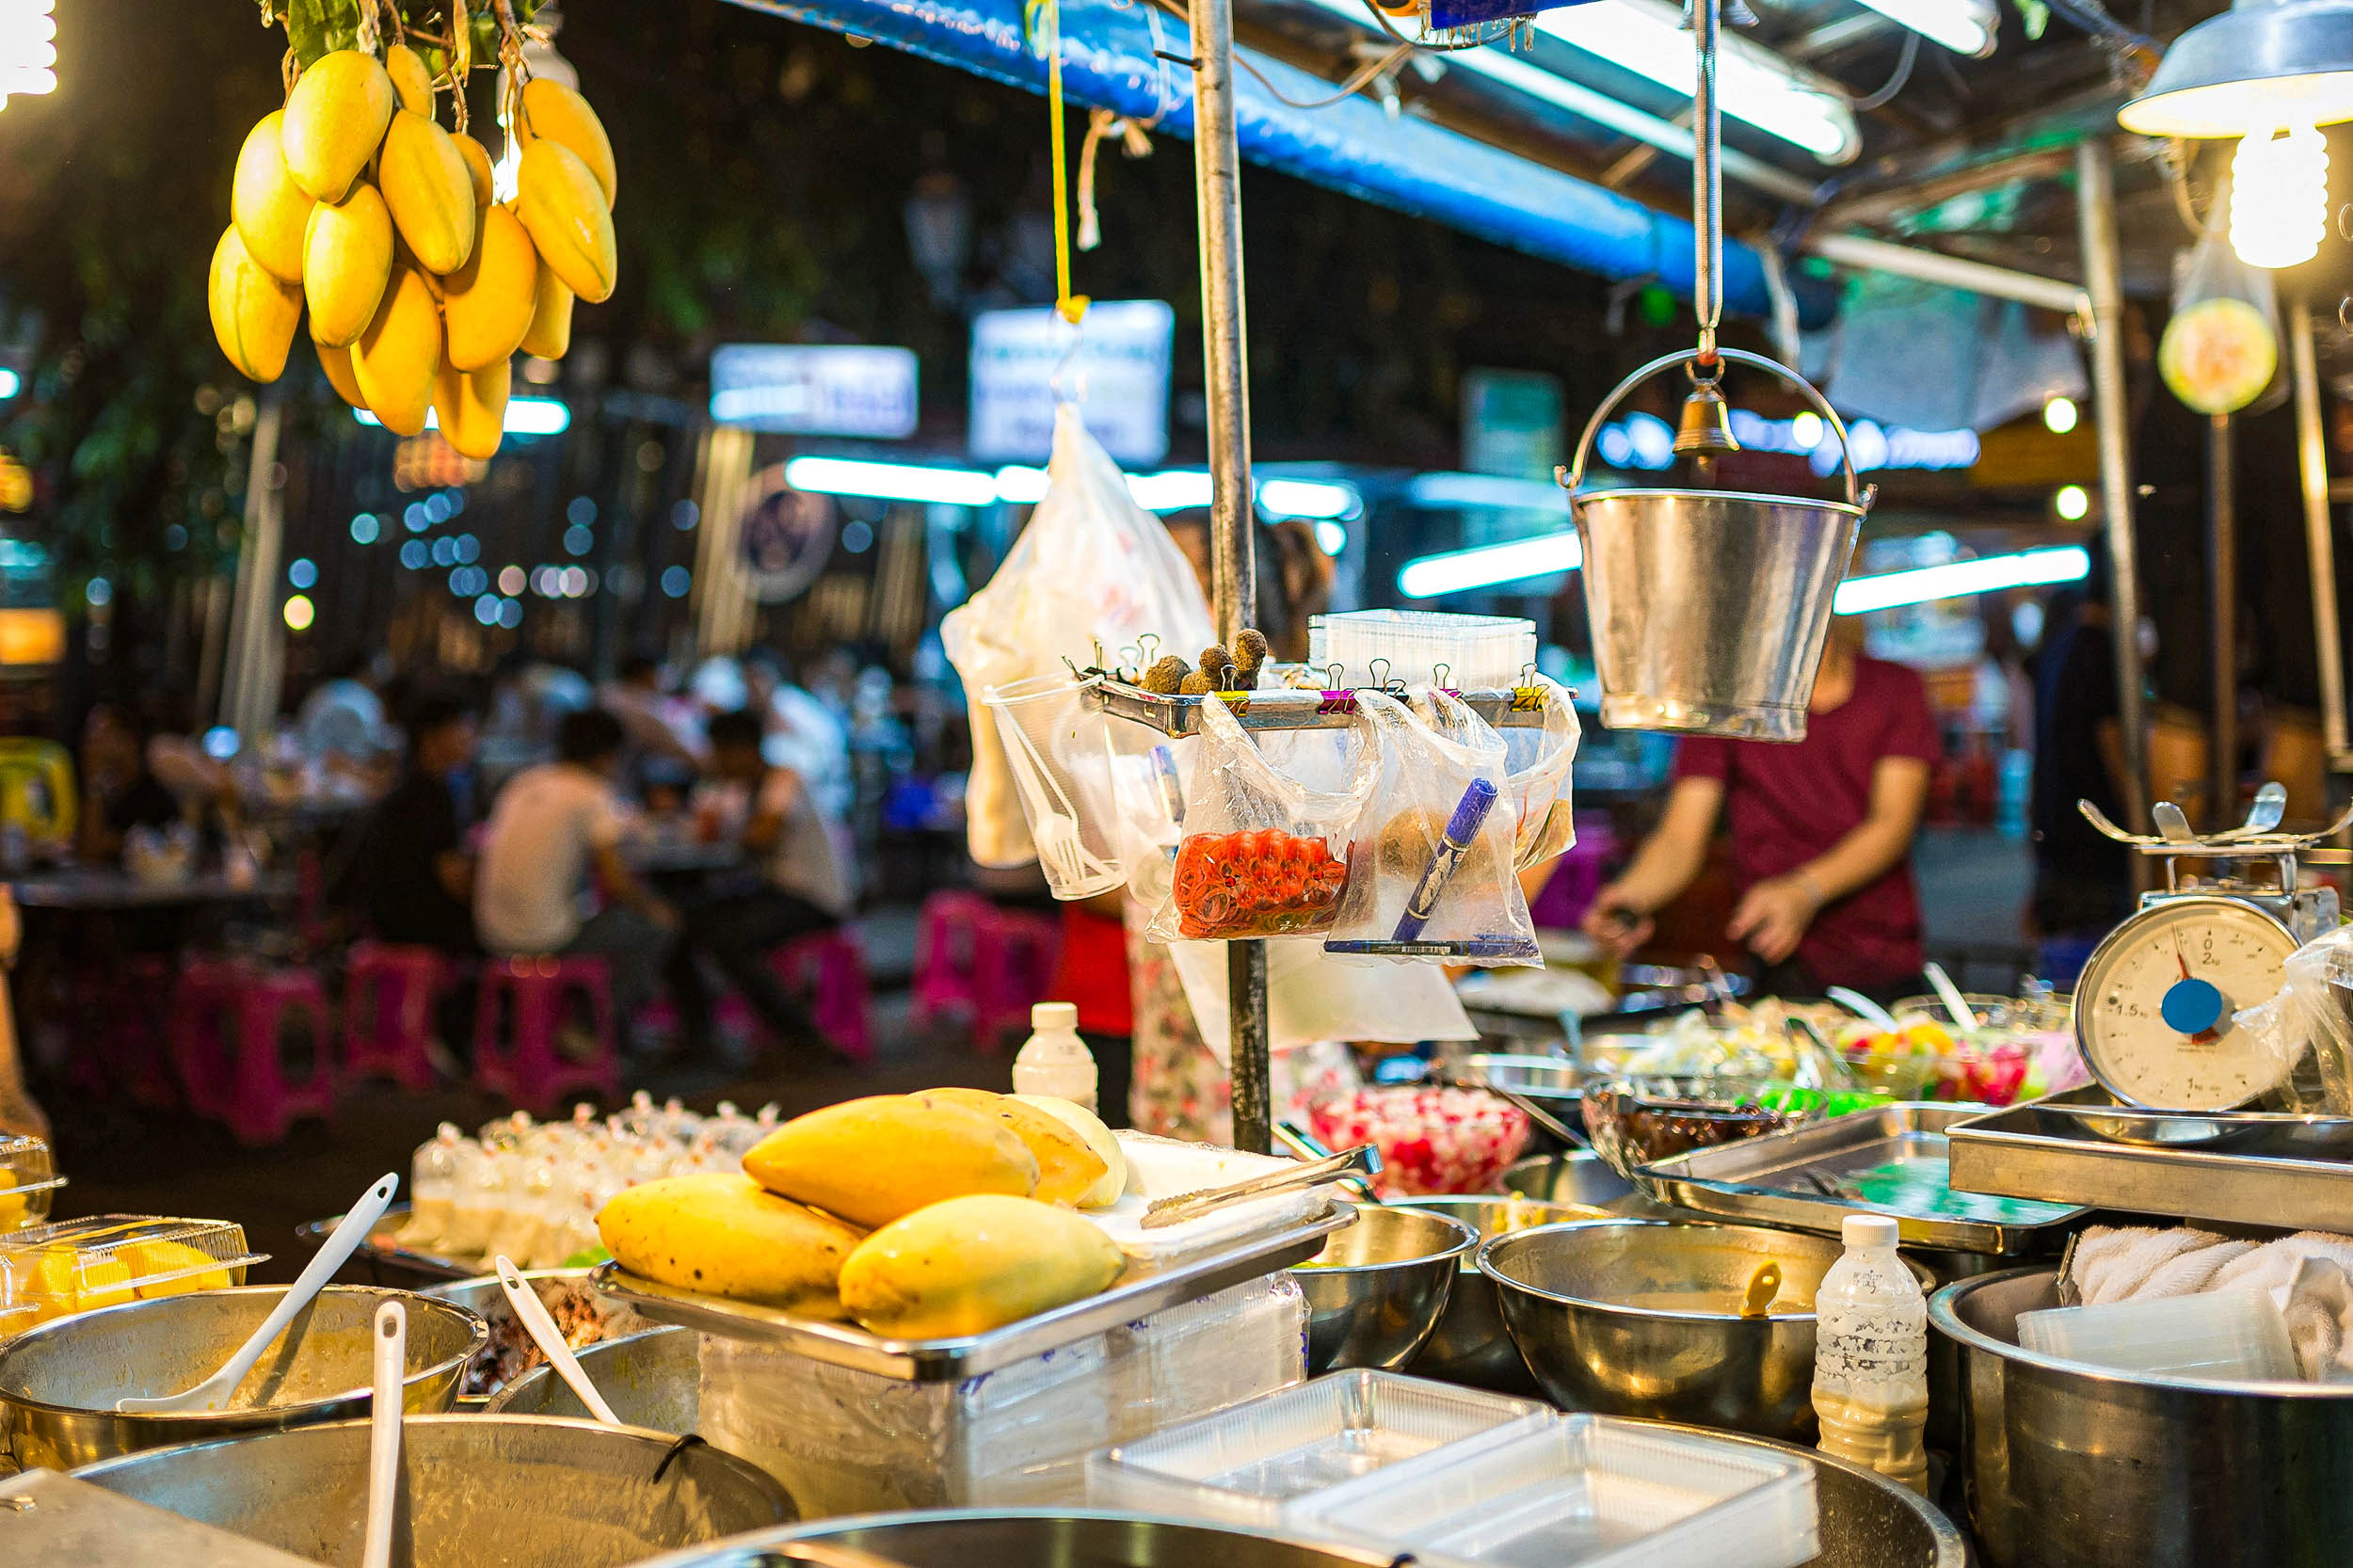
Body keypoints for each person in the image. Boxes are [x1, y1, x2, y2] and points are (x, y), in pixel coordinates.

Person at [1581, 617, 1940, 1003]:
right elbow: (1681, 837)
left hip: (1882, 957)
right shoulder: (1727, 701)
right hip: (1780, 960)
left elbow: (1892, 824)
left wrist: (1805, 890)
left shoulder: (1895, 689)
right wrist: (1630, 898)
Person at [474, 708, 678, 1026]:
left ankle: (562, 1023)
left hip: (490, 933)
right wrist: (656, 909)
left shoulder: (524, 782)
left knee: (602, 918)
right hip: (544, 938)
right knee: (656, 928)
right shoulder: (591, 792)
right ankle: (587, 1028)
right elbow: (618, 884)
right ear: (609, 755)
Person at [674, 710, 852, 1056]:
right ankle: (700, 1035)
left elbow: (763, 835)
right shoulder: (743, 789)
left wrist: (720, 832)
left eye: (720, 752)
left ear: (743, 750)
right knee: (682, 924)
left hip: (813, 897)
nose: (715, 762)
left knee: (727, 940)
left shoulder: (784, 779)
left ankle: (802, 1041)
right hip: (775, 892)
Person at [2028, 555, 2136, 942]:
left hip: (2058, 841)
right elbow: (2114, 750)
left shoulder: (2060, 645)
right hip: (2096, 844)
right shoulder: (2100, 651)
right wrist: (2141, 824)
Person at [361, 691, 481, 953]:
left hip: (391, 922)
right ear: (430, 737)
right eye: (463, 727)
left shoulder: (411, 787)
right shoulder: (429, 795)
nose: (472, 736)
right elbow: (454, 880)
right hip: (418, 928)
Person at [75, 703, 180, 865]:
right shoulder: (106, 789)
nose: (93, 744)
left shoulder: (154, 790)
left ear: (128, 740)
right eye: (90, 735)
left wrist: (93, 782)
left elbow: (93, 848)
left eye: (102, 734)